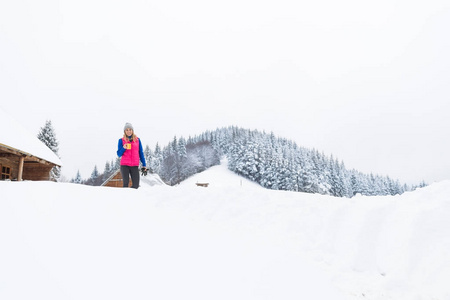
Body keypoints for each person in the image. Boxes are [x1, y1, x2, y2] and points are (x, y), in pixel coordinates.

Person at [117, 123, 147, 189]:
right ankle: (125, 197)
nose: (128, 131)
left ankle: (132, 198)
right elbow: (119, 154)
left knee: (136, 185)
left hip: (134, 165)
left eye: (130, 129)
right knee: (125, 184)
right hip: (125, 165)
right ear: (124, 131)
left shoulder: (137, 140)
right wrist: (123, 148)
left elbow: (141, 153)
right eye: (127, 130)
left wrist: (144, 165)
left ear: (132, 130)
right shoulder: (121, 140)